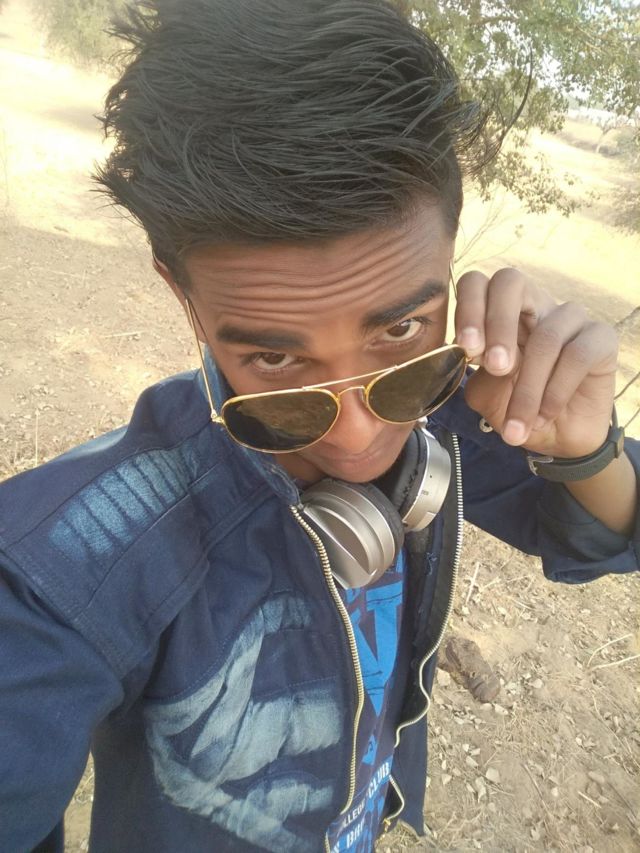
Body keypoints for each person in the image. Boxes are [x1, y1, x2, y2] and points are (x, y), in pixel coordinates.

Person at [1, 1, 638, 851]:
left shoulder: (449, 404)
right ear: (179, 291)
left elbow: (602, 534)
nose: (359, 437)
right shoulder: (67, 567)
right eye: (274, 359)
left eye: (401, 330)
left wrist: (584, 445)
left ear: (452, 253)